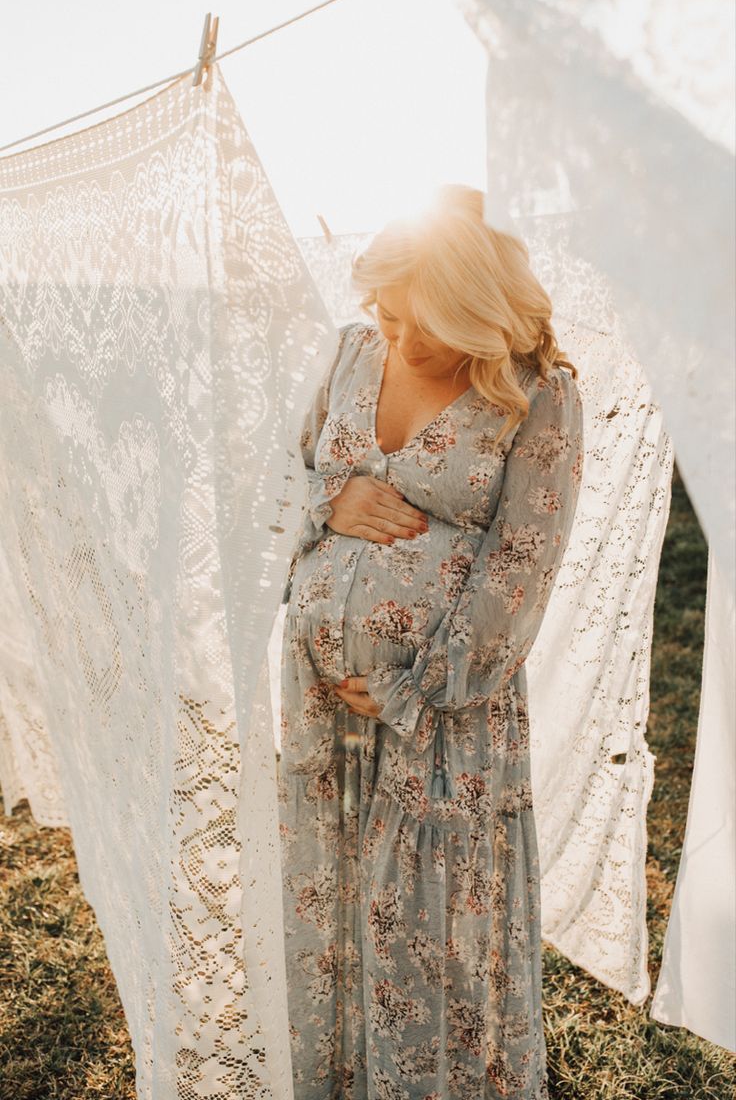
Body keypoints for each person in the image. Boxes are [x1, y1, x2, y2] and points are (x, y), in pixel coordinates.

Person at [276, 184, 584, 1099]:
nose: (397, 339)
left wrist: (423, 686)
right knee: (331, 916)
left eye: (423, 323)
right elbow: (278, 469)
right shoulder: (353, 351)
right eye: (386, 312)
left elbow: (523, 566)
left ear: (479, 312)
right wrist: (329, 499)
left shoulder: (540, 396)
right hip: (323, 714)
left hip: (443, 723)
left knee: (430, 937)